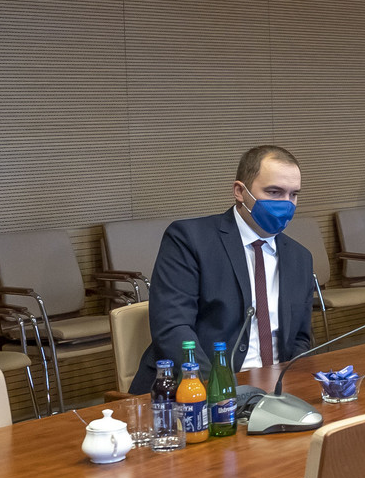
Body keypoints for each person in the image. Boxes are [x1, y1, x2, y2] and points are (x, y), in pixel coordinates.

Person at [128, 145, 315, 394]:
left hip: (276, 389)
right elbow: (173, 329)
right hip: (202, 389)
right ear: (240, 191)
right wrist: (220, 390)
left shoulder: (300, 258)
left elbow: (300, 339)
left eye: (293, 194)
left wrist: (294, 385)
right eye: (274, 192)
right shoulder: (189, 239)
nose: (286, 204)